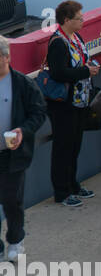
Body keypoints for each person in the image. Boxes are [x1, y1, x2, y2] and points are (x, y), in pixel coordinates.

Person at [45, 0, 99, 208]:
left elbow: (81, 61)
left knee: (75, 145)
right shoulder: (58, 43)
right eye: (79, 18)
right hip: (63, 105)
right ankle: (61, 191)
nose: (82, 21)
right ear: (66, 20)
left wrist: (89, 67)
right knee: (63, 148)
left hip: (79, 101)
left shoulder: (76, 38)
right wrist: (86, 71)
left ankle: (73, 184)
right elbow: (58, 73)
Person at [0, 36, 47, 262]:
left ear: (6, 58)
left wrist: (23, 130)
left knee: (12, 200)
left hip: (13, 155)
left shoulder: (22, 84)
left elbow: (39, 112)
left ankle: (16, 240)